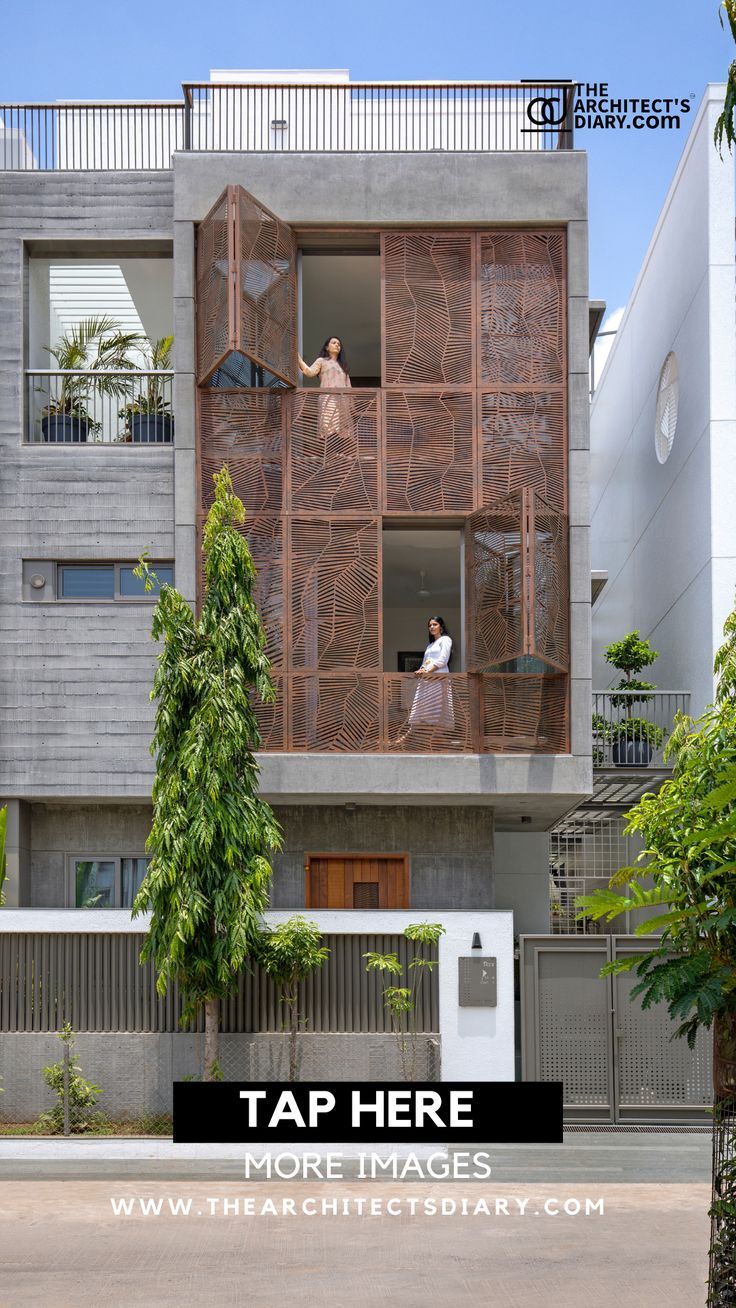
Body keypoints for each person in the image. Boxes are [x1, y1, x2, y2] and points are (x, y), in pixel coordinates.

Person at [395, 617, 455, 744]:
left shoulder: (445, 640)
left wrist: (428, 671)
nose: (432, 627)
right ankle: (410, 735)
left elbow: (443, 660)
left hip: (439, 680)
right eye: (430, 625)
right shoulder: (430, 645)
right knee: (420, 706)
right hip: (427, 680)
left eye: (435, 624)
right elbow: (426, 661)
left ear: (441, 626)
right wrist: (422, 669)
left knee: (437, 708)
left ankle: (438, 738)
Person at [297, 336, 352, 450]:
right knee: (329, 428)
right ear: (327, 347)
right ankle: (329, 457)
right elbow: (310, 372)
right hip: (328, 399)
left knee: (342, 431)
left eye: (339, 344)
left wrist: (352, 405)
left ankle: (339, 456)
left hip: (343, 401)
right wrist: (297, 358)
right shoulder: (321, 361)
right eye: (334, 343)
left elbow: (349, 387)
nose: (337, 345)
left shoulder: (343, 366)